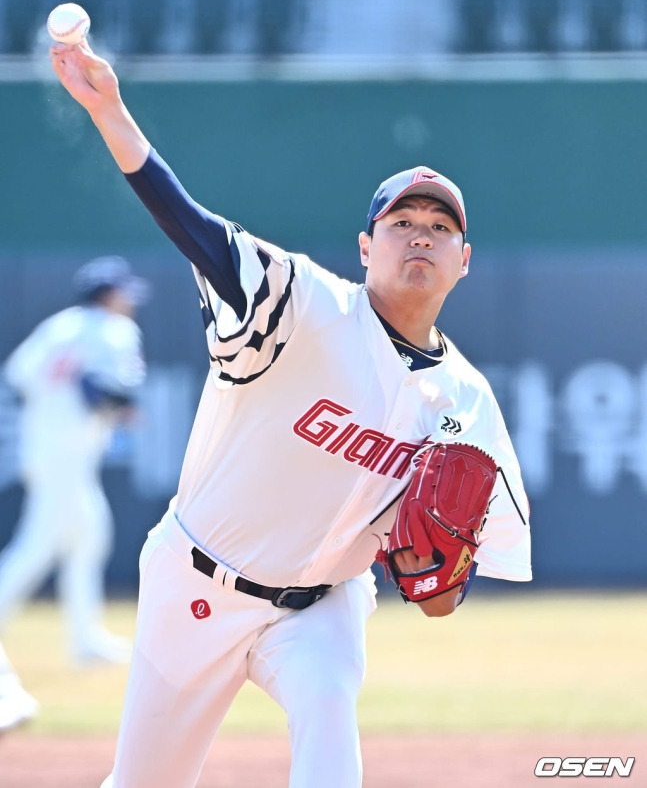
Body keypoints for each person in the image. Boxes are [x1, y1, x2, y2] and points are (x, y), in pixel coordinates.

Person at [50, 40, 531, 788]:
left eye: (440, 228)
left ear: (462, 260)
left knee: (328, 717)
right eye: (403, 221)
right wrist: (110, 112)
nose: (422, 235)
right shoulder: (304, 304)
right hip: (196, 585)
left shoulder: (466, 401)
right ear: (365, 245)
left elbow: (448, 585)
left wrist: (440, 577)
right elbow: (195, 229)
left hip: (319, 609)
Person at [0, 256, 147, 730]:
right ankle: (80, 637)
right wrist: (104, 397)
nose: (129, 301)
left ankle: (85, 639)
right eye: (123, 292)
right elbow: (117, 389)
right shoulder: (113, 329)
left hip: (45, 449)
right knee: (37, 547)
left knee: (89, 537)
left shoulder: (59, 325)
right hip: (68, 454)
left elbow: (20, 375)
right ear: (108, 293)